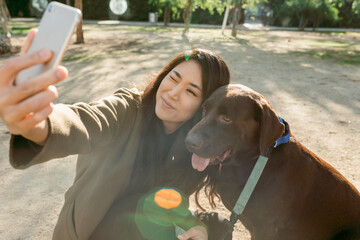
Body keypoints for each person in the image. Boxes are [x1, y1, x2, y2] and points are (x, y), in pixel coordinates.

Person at [0, 29, 230, 240]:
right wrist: (34, 123)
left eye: (191, 91)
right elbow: (84, 119)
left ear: (204, 108)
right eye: (174, 77)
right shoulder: (128, 109)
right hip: (93, 230)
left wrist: (200, 228)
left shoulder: (194, 146)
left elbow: (172, 202)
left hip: (146, 227)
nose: (174, 92)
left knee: (217, 226)